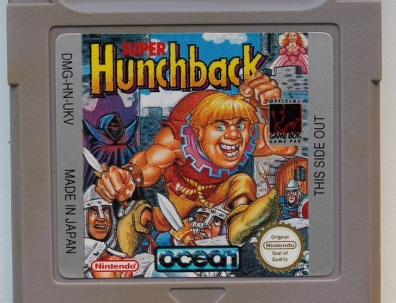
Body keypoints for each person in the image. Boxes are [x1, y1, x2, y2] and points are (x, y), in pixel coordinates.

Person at [96, 72, 298, 253]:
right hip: (183, 192)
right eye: (220, 127)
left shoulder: (249, 137)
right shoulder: (177, 141)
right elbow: (147, 164)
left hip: (219, 192)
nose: (234, 135)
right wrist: (128, 176)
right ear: (199, 132)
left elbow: (288, 147)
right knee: (164, 222)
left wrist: (273, 104)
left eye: (240, 126)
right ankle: (140, 216)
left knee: (243, 181)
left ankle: (240, 221)